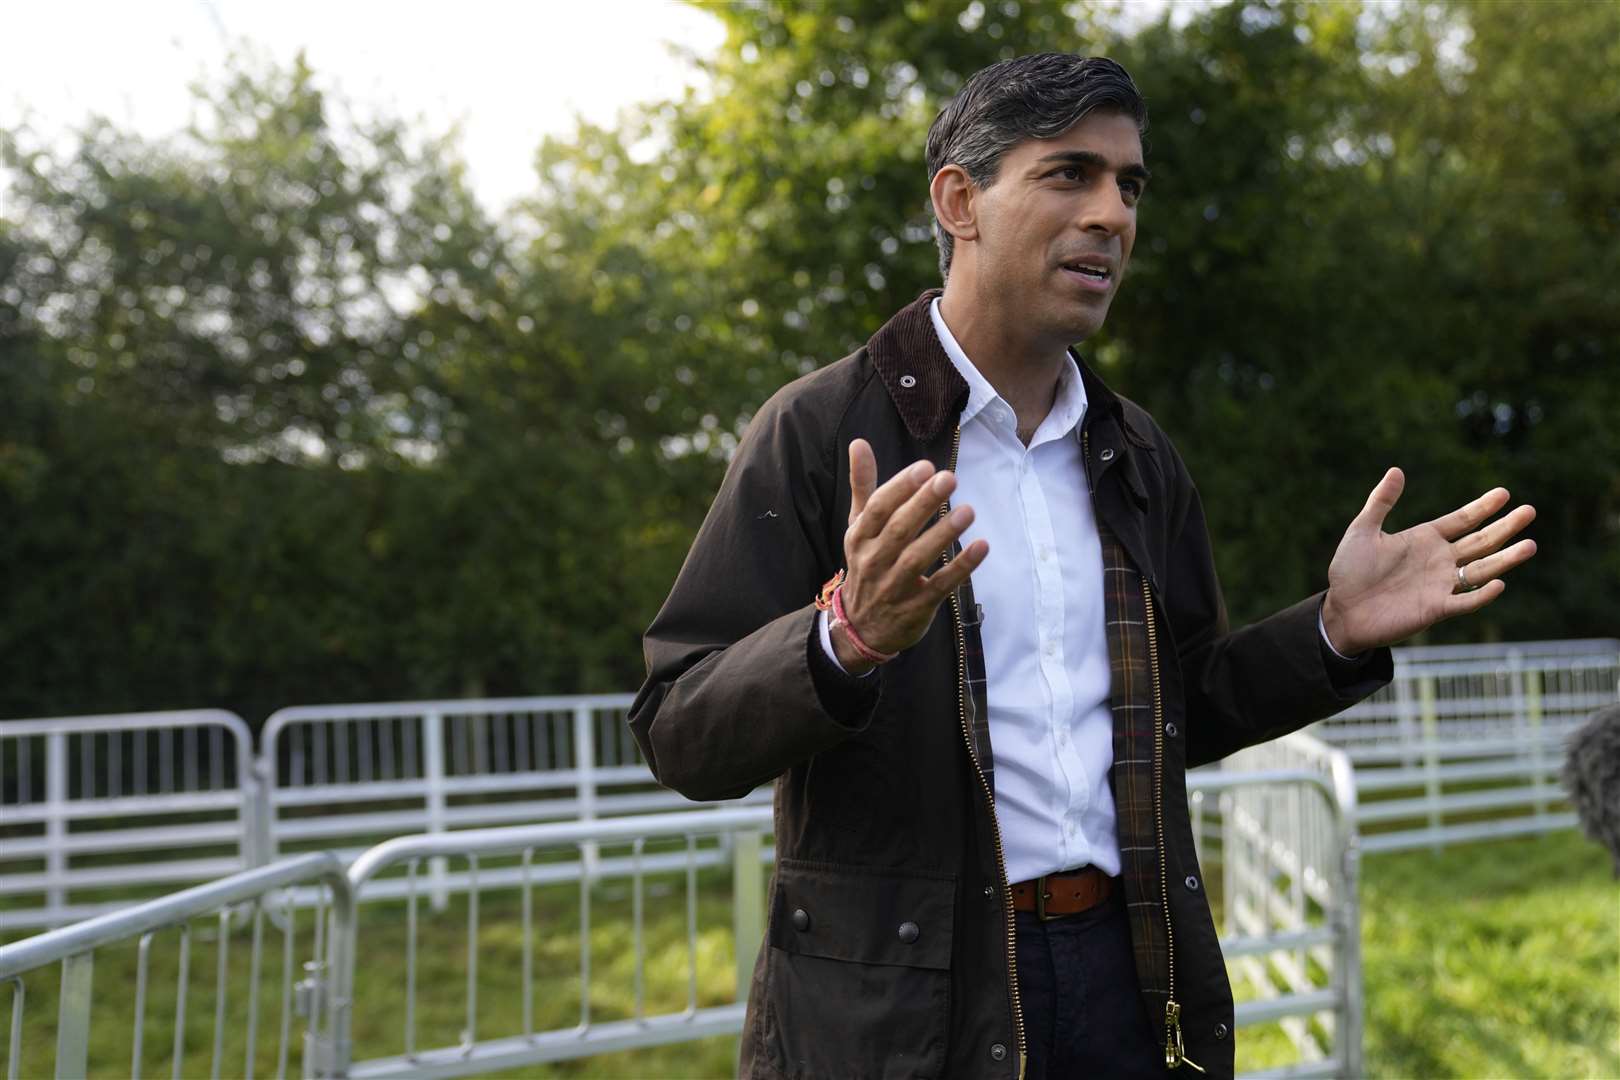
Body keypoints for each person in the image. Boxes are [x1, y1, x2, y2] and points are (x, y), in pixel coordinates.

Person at [628, 53, 1538, 1079]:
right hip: (899, 1007)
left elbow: (1184, 706)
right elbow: (678, 727)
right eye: (1070, 174)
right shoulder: (820, 432)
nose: (1112, 213)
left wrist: (1330, 629)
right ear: (959, 200)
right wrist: (846, 638)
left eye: (1129, 184)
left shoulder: (1135, 452)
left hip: (1125, 973)